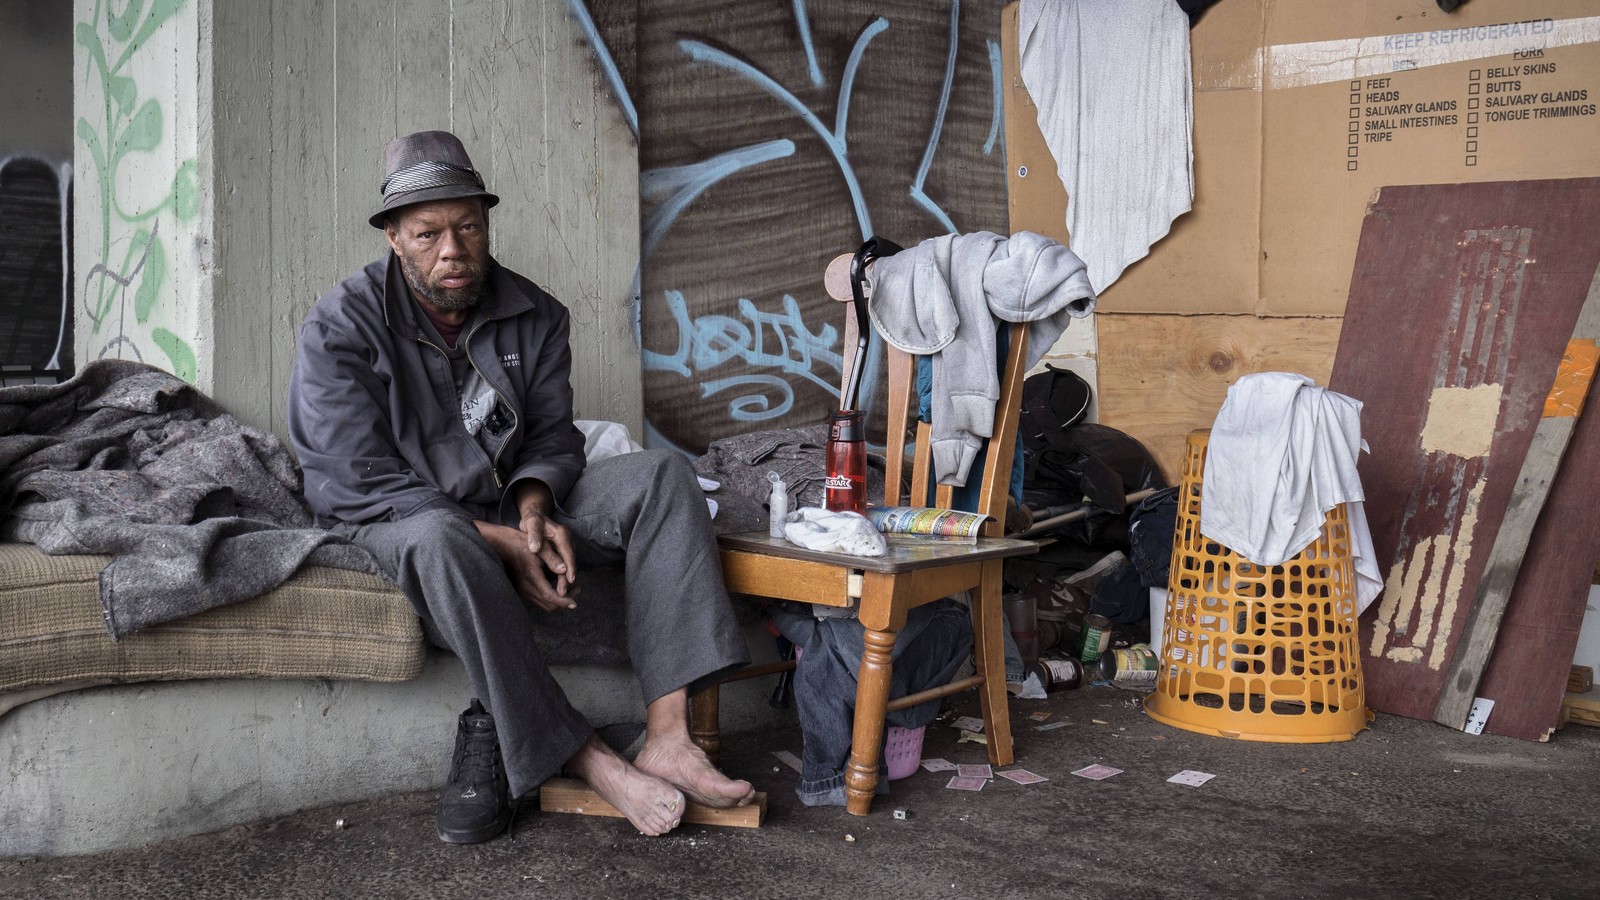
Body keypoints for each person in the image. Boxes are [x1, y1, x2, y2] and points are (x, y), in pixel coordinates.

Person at [288, 130, 755, 843]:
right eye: (427, 233)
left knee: (661, 475)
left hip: (507, 500)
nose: (453, 249)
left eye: (468, 226)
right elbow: (349, 478)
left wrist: (534, 510)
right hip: (400, 514)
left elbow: (550, 436)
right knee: (441, 538)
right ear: (392, 238)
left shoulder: (535, 315)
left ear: (486, 224)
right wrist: (502, 544)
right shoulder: (341, 325)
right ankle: (588, 755)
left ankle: (667, 733)